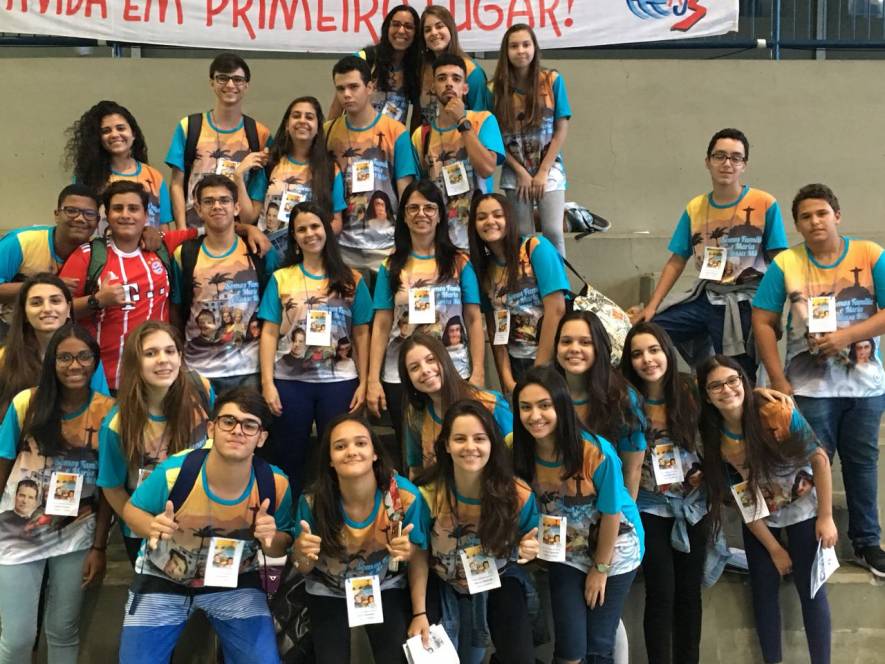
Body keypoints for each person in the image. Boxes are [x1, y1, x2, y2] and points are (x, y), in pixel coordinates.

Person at [752, 182, 885, 576]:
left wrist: (845, 337)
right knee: (810, 465)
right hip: (809, 388)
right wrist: (778, 379)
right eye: (805, 217)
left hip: (865, 387)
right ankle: (811, 543)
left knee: (862, 464)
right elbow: (762, 320)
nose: (815, 221)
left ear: (837, 216)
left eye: (822, 213)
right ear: (797, 225)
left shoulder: (870, 254)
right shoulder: (787, 264)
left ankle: (867, 542)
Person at [118, 387, 292, 663]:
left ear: (261, 438)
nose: (237, 431)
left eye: (249, 425)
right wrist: (150, 526)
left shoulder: (274, 483)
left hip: (236, 580)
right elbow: (131, 509)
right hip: (164, 578)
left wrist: (270, 539)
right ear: (211, 429)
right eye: (228, 421)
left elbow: (281, 544)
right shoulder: (175, 473)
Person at [697, 355, 836, 664]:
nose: (726, 390)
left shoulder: (775, 411)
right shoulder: (713, 437)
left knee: (812, 590)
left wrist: (826, 516)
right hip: (761, 518)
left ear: (744, 382)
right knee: (763, 589)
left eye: (732, 381)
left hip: (803, 509)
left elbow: (819, 459)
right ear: (706, 395)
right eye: (716, 386)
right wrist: (774, 549)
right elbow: (742, 499)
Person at [512, 366, 644, 664]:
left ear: (561, 405)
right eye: (526, 407)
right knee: (570, 650)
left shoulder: (596, 452)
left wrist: (600, 569)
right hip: (565, 551)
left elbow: (612, 515)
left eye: (544, 405)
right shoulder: (516, 449)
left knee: (598, 644)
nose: (535, 416)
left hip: (615, 549)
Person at [0, 323, 115, 663]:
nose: (74, 365)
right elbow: (3, 464)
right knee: (17, 637)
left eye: (83, 357)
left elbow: (110, 483)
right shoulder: (27, 403)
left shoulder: (110, 412)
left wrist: (99, 546)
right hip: (17, 531)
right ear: (52, 361)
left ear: (95, 361)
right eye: (65, 357)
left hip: (76, 532)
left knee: (63, 631)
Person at [638, 128, 788, 379]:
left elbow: (780, 262)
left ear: (744, 165)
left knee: (738, 375)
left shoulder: (764, 203)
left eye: (735, 158)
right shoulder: (695, 207)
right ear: (707, 162)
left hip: (745, 301)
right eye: (720, 156)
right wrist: (652, 306)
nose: (727, 163)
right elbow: (677, 260)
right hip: (707, 295)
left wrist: (773, 309)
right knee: (650, 332)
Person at [408, 400, 539, 664]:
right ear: (446, 445)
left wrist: (530, 551)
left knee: (520, 657)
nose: (470, 447)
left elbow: (532, 544)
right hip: (441, 579)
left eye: (479, 438)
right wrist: (419, 612)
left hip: (499, 574)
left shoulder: (518, 494)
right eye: (460, 439)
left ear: (492, 444)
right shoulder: (426, 494)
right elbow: (419, 553)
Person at [257, 202, 372, 496]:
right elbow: (269, 332)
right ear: (294, 237)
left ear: (326, 230)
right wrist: (267, 383)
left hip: (340, 381)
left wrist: (365, 381)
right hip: (290, 381)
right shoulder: (281, 278)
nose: (310, 234)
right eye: (301, 229)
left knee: (339, 459)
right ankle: (290, 514)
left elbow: (361, 333)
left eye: (315, 226)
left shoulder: (352, 279)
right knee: (289, 458)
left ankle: (334, 513)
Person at [292, 414, 425, 663]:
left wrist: (420, 613)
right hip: (328, 588)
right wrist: (301, 553)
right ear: (330, 460)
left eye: (361, 443)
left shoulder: (403, 497)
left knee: (394, 657)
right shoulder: (313, 501)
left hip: (384, 585)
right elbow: (302, 567)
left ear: (375, 453)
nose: (351, 451)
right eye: (340, 446)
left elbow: (419, 556)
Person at [367, 180, 484, 461]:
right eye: (413, 208)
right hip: (401, 374)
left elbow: (473, 319)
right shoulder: (390, 265)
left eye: (429, 208)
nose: (421, 214)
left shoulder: (459, 262)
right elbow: (381, 325)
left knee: (458, 448)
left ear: (440, 215)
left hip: (454, 369)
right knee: (413, 453)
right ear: (404, 216)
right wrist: (372, 379)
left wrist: (479, 371)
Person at [620, 322, 708, 664]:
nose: (647, 359)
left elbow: (734, 401)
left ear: (667, 352)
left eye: (654, 350)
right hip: (649, 507)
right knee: (661, 593)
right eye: (637, 353)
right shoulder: (626, 400)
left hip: (693, 506)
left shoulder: (690, 390)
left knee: (689, 593)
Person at [60, 181, 198, 391]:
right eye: (118, 208)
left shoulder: (161, 246)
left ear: (145, 215)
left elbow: (210, 230)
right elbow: (59, 311)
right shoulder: (87, 256)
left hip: (156, 378)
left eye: (133, 208)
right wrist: (97, 301)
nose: (126, 215)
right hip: (104, 381)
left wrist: (247, 229)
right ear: (107, 215)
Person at [98, 321, 213, 565]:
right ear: (135, 363)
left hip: (201, 520)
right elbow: (112, 487)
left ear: (180, 357)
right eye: (150, 353)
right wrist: (144, 524)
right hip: (147, 527)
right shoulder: (117, 424)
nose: (163, 360)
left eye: (170, 351)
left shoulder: (201, 389)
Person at [173, 174, 278, 394]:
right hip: (198, 371)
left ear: (236, 207)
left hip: (250, 370)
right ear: (198, 209)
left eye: (224, 200)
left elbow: (274, 311)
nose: (217, 206)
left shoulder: (259, 251)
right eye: (208, 201)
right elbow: (176, 310)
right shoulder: (184, 254)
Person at [325, 54, 418, 272]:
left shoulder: (396, 131)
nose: (347, 94)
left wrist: (406, 240)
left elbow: (405, 190)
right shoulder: (327, 131)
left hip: (386, 245)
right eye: (340, 89)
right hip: (342, 246)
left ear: (369, 87)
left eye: (353, 87)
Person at [467, 192, 568, 391]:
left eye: (498, 215)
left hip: (552, 360)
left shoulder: (536, 248)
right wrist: (506, 379)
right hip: (515, 363)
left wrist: (538, 370)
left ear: (510, 219)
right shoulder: (484, 269)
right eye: (481, 217)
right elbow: (494, 327)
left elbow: (556, 310)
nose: (490, 221)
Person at [491, 24, 571, 256]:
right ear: (506, 51)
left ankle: (558, 279)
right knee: (523, 234)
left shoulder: (552, 80)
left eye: (526, 44)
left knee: (553, 231)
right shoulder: (494, 89)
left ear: (534, 48)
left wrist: (543, 171)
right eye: (514, 46)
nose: (521, 51)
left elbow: (561, 128)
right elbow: (494, 138)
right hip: (515, 170)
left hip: (549, 167)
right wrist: (521, 173)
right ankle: (528, 277)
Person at [165, 52, 271, 228]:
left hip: (237, 233)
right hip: (194, 231)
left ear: (246, 85)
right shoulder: (189, 126)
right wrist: (182, 229)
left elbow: (257, 196)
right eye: (222, 78)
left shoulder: (260, 134)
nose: (230, 85)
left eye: (237, 79)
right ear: (212, 82)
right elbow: (176, 184)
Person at [412, 53, 504, 251]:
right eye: (441, 78)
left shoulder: (483, 120)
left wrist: (462, 121)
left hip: (477, 237)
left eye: (456, 78)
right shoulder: (421, 135)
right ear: (433, 87)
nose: (449, 84)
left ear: (465, 88)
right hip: (439, 240)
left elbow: (487, 168)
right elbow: (420, 190)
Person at [554, 311, 647, 499]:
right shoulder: (544, 394)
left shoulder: (623, 399)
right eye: (566, 341)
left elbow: (632, 469)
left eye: (585, 342)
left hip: (609, 505)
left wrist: (624, 514)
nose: (574, 348)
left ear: (600, 347)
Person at [399, 333, 513, 477]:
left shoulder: (489, 403)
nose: (425, 370)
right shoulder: (415, 413)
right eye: (414, 367)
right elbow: (416, 470)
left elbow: (519, 455)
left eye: (431, 360)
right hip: (440, 489)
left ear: (444, 359)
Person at [0, 184, 99, 337]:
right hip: (12, 331)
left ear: (98, 221)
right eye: (71, 211)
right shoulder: (20, 242)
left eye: (89, 214)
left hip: (67, 335)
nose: (80, 219)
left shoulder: (99, 253)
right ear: (57, 214)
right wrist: (46, 285)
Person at [0, 274, 108, 414]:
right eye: (36, 303)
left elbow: (103, 410)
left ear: (68, 308)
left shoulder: (87, 356)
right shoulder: (4, 358)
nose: (47, 309)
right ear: (24, 312)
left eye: (55, 301)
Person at [244, 96, 346, 236]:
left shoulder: (330, 169)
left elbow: (336, 222)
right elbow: (250, 217)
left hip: (311, 248)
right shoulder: (269, 162)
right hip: (270, 248)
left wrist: (311, 238)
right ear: (287, 125)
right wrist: (238, 175)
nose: (302, 121)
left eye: (309, 117)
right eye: (296, 116)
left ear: (318, 127)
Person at [65, 100, 173, 230]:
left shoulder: (154, 177)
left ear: (133, 134)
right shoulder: (86, 177)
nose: (115, 134)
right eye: (106, 131)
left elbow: (163, 228)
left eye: (121, 128)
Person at [329, 4, 421, 125]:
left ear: (416, 33)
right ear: (387, 28)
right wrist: (328, 134)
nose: (401, 31)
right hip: (356, 133)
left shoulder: (417, 67)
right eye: (396, 24)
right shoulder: (365, 58)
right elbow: (337, 105)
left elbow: (417, 115)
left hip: (394, 135)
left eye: (408, 26)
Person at [416, 5, 489, 128]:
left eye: (439, 26)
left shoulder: (472, 72)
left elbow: (480, 120)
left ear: (451, 29)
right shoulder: (422, 70)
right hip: (427, 138)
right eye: (427, 30)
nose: (434, 32)